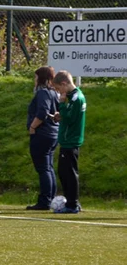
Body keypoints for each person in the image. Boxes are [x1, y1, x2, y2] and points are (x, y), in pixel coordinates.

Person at [52, 70, 86, 214]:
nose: (59, 93)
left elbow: (71, 118)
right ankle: (71, 202)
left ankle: (72, 204)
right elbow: (69, 116)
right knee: (63, 172)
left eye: (59, 89)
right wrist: (61, 115)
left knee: (70, 174)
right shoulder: (72, 97)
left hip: (70, 140)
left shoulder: (75, 98)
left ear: (64, 84)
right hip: (67, 140)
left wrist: (61, 105)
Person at [26, 66, 60, 210]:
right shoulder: (54, 93)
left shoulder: (43, 93)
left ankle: (45, 200)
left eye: (36, 77)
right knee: (48, 167)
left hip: (42, 133)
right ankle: (50, 198)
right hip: (53, 133)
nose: (34, 80)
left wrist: (33, 127)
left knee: (43, 168)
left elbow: (42, 112)